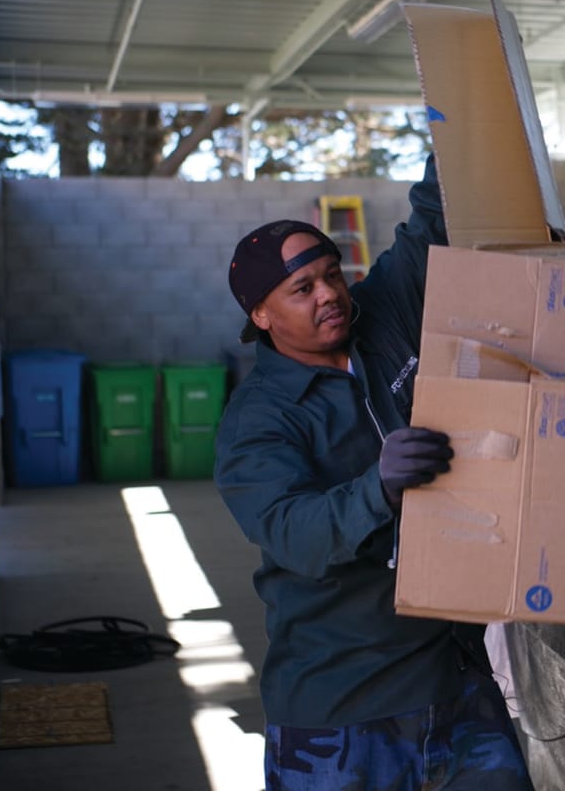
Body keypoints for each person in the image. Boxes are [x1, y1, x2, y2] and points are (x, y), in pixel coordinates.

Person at [214, 156, 533, 791]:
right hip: (341, 708)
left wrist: (462, 123)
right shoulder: (258, 421)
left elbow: (429, 227)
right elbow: (291, 533)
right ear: (261, 315)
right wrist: (377, 488)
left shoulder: (377, 320)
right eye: (302, 289)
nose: (329, 294)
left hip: (452, 678)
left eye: (332, 274)